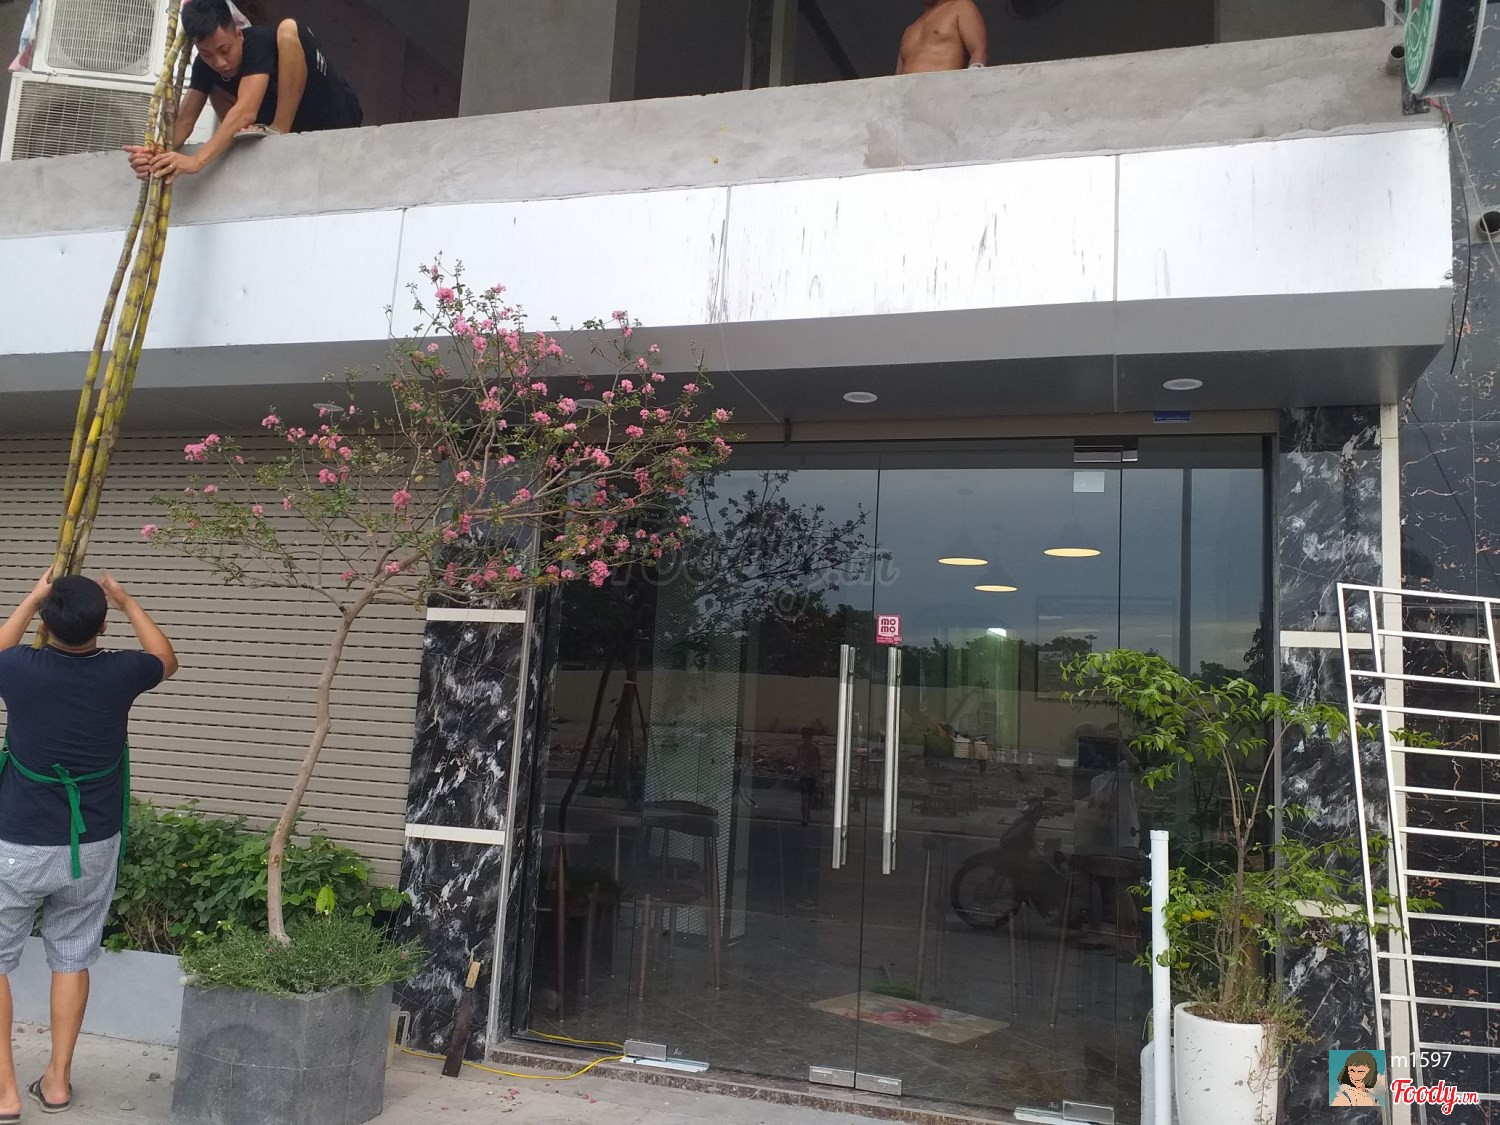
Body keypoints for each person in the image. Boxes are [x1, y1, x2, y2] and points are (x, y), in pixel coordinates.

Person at [0, 572, 177, 1117]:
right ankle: (57, 1081)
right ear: (102, 625)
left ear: (46, 622)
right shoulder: (121, 671)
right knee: (72, 957)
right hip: (91, 843)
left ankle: (5, 1092)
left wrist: (33, 596)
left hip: (17, 842)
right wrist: (126, 601)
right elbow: (166, 659)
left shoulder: (19, 668)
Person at [124, 0, 362, 184]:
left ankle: (279, 128)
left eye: (224, 50)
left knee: (289, 29)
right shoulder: (205, 67)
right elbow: (185, 120)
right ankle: (254, 134)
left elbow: (246, 111)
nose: (219, 62)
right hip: (291, 127)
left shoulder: (257, 42)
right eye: (207, 54)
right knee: (214, 83)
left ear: (238, 34)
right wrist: (154, 154)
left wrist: (197, 161)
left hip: (335, 114)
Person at [897, 0, 988, 74]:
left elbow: (978, 51)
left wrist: (971, 82)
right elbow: (897, 76)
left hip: (945, 87)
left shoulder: (961, 7)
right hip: (907, 89)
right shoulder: (909, 30)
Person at [795, 727, 822, 827]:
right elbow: (797, 760)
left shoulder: (815, 749)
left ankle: (808, 812)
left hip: (812, 775)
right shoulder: (800, 748)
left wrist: (818, 775)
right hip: (804, 775)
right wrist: (795, 772)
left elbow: (818, 763)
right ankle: (804, 818)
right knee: (804, 797)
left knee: (811, 797)